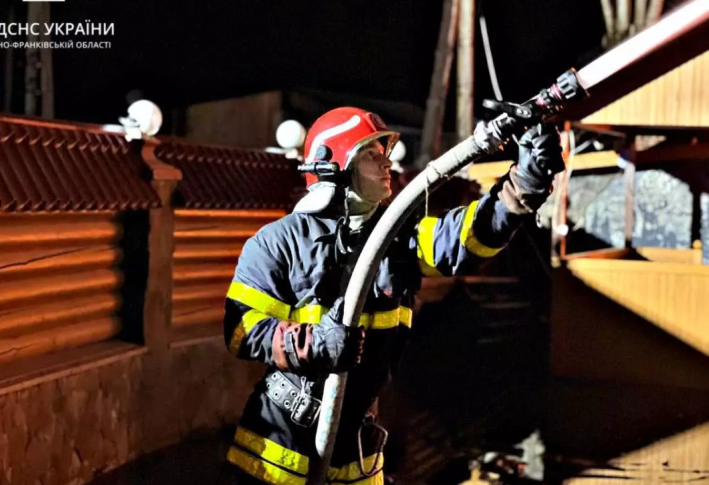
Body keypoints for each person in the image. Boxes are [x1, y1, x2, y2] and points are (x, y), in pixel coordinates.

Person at [223, 107, 564, 485]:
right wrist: (315, 343)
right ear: (333, 164)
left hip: (359, 453)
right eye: (372, 153)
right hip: (277, 454)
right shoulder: (277, 243)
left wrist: (522, 185)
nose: (386, 163)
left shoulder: (395, 238)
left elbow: (463, 238)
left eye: (385, 153)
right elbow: (242, 329)